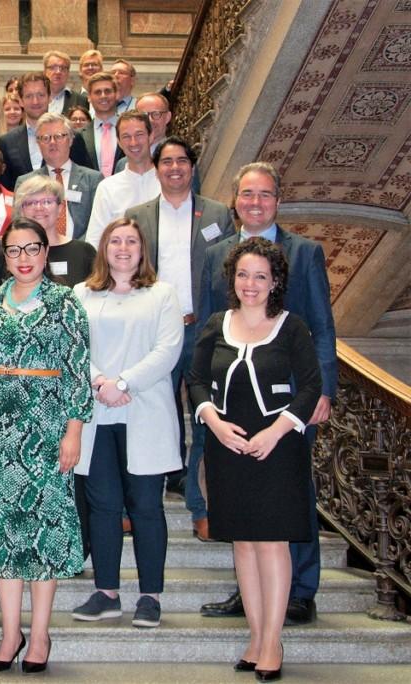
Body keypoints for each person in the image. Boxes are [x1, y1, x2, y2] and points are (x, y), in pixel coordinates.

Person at [197, 163, 337, 628]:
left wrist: (323, 390)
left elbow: (320, 327)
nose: (254, 202)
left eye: (265, 195)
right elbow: (210, 328)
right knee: (243, 502)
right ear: (234, 200)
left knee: (291, 497)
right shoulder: (215, 253)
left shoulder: (305, 252)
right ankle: (250, 591)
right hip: (234, 402)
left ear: (278, 200)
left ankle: (300, 589)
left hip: (292, 403)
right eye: (247, 194)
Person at [0, 218, 92, 672]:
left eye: (31, 249)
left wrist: (74, 429)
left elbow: (78, 369)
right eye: (14, 250)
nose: (23, 259)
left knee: (43, 534)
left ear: (45, 249)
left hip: (46, 432)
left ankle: (39, 635)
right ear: (5, 254)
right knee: (2, 535)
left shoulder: (65, 302)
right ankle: (9, 631)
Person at [188, 237, 323, 679]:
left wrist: (277, 431)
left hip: (277, 448)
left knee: (271, 542)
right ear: (233, 278)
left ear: (275, 281)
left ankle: (272, 640)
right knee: (244, 543)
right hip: (229, 448)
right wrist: (213, 422)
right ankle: (254, 635)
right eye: (243, 275)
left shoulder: (292, 327)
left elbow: (309, 387)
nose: (250, 284)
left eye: (260, 276)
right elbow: (195, 379)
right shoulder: (215, 324)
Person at [70, 218, 183, 629]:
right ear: (103, 248)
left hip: (144, 410)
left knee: (146, 506)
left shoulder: (162, 294)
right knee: (101, 507)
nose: (122, 248)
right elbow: (74, 346)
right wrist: (100, 381)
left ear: (142, 249)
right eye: (114, 241)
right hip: (98, 412)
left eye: (130, 241)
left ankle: (150, 596)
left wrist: (123, 382)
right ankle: (106, 592)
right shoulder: (81, 294)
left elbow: (168, 350)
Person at [125, 137, 235, 535]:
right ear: (156, 169)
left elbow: (229, 273)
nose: (174, 168)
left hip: (204, 330)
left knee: (207, 417)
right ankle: (137, 503)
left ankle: (201, 505)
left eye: (181, 161)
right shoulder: (137, 215)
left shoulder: (218, 214)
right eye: (166, 162)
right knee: (146, 418)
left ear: (192, 166)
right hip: (155, 333)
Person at [0, 175, 95, 289]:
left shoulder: (84, 252)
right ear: (21, 211)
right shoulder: (8, 254)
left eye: (47, 202)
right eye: (31, 203)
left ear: (60, 208)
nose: (39, 208)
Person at [14, 112, 102, 241]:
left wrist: (74, 249)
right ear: (38, 143)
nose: (52, 142)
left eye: (59, 136)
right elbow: (19, 225)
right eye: (45, 138)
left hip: (81, 254)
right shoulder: (25, 182)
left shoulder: (93, 179)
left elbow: (98, 225)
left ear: (71, 140)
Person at [85, 111, 160, 245]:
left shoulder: (168, 182)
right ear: (119, 142)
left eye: (139, 135)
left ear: (151, 136)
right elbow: (95, 240)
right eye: (126, 137)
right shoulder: (107, 187)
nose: (133, 142)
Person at [78, 72, 124, 176]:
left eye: (107, 91)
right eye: (97, 92)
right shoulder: (79, 135)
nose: (103, 96)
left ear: (117, 94)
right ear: (89, 97)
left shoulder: (129, 131)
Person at [44, 50, 88, 115]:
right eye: (53, 67)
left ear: (68, 73)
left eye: (63, 68)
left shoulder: (81, 100)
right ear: (45, 71)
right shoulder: (35, 98)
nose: (58, 72)